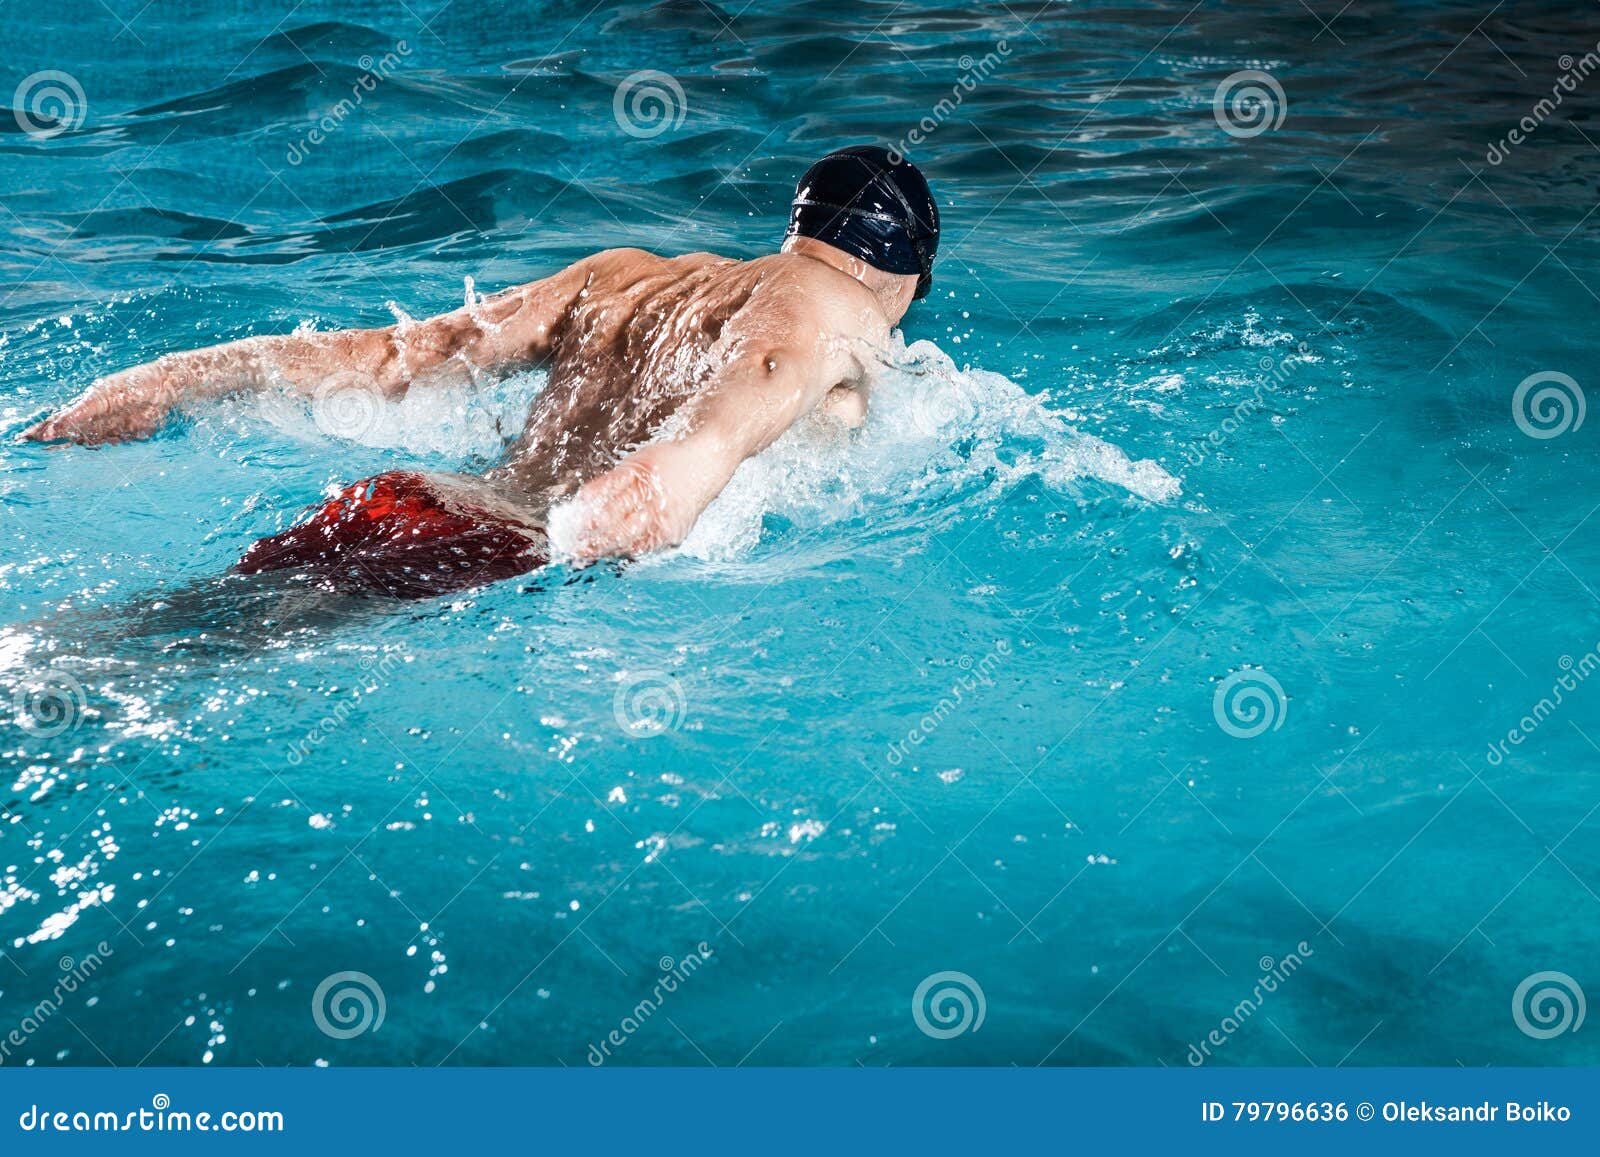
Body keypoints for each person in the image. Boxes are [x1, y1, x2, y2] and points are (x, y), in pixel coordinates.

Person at [24, 145, 940, 597]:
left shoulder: (623, 275)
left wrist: (170, 376)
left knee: (167, 628)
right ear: (904, 273)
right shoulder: (845, 310)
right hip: (507, 550)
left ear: (799, 226)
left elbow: (396, 357)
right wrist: (671, 482)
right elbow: (764, 373)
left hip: (405, 497)